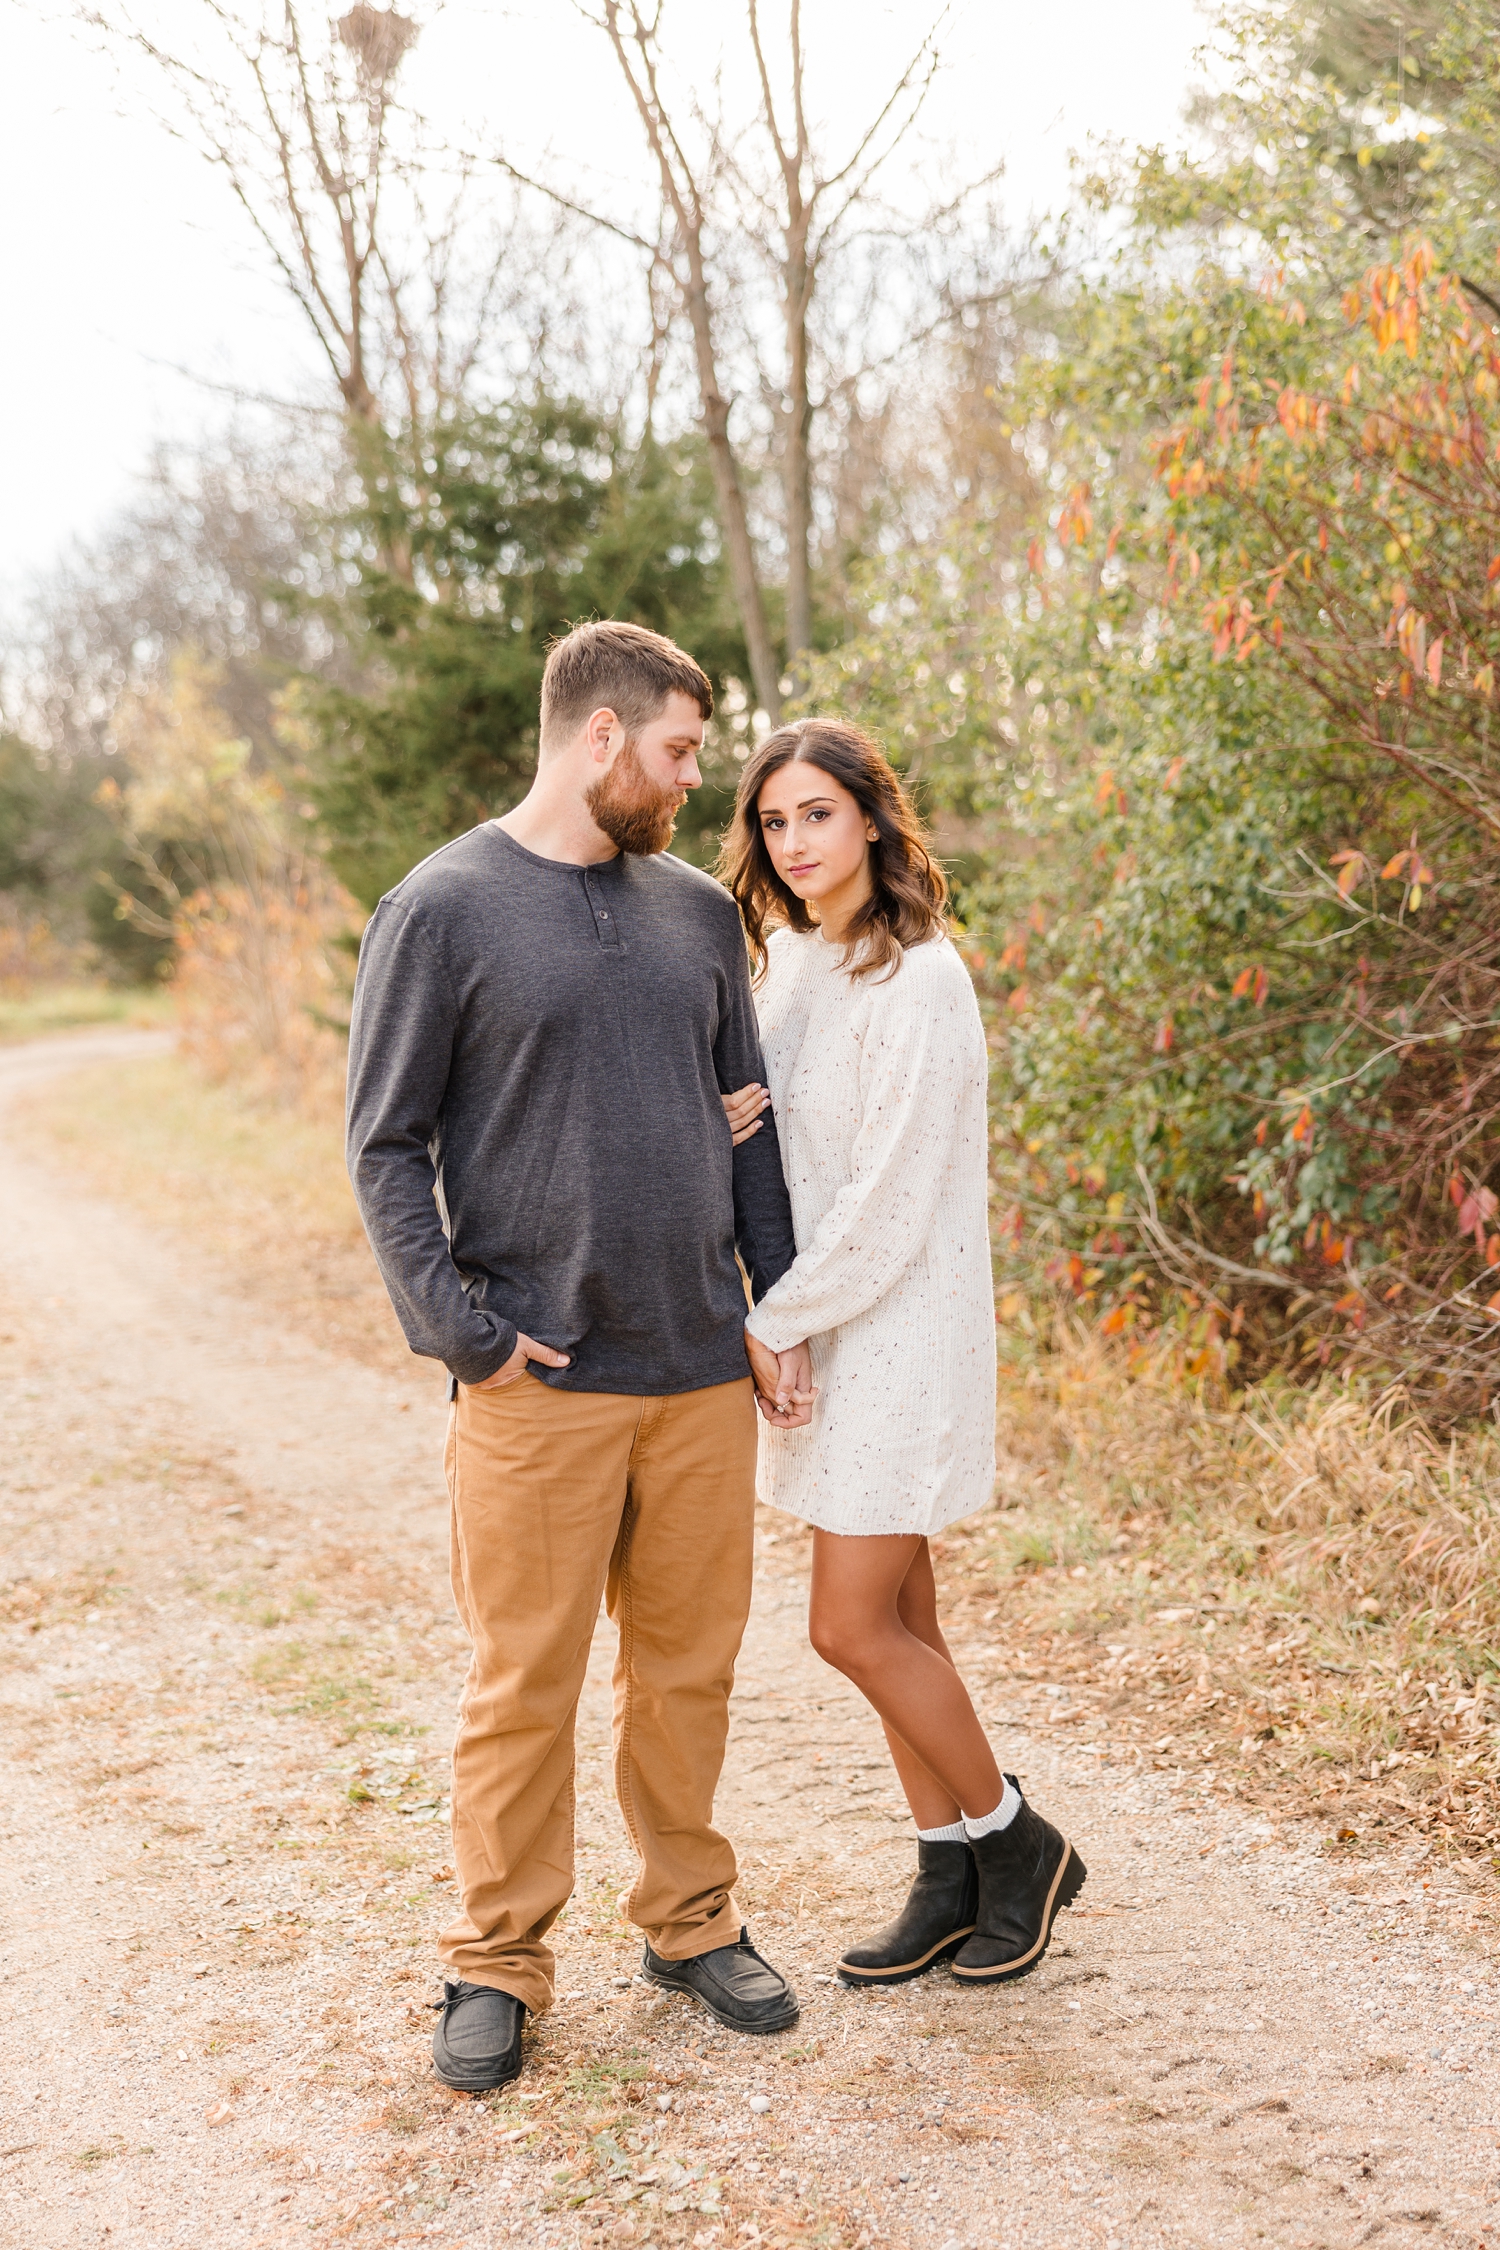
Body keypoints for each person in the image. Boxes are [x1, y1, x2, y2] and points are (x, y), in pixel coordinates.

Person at [345, 621, 814, 2094]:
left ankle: (688, 1920)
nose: (696, 782)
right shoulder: (443, 907)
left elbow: (751, 1121)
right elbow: (384, 1143)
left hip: (694, 1374)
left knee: (689, 1672)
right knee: (523, 1679)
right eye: (679, 752)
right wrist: (465, 1335)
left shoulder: (692, 914)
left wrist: (777, 1305)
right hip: (535, 1383)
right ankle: (498, 1958)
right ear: (600, 738)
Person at [718, 717, 1086, 1988]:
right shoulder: (782, 967)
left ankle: (1016, 1841)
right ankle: (947, 1873)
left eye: (818, 812)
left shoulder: (922, 977)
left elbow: (889, 1194)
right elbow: (777, 1145)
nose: (795, 841)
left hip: (897, 1326)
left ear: (871, 817)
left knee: (846, 1625)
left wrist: (778, 1321)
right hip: (823, 1318)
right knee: (905, 1612)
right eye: (774, 821)